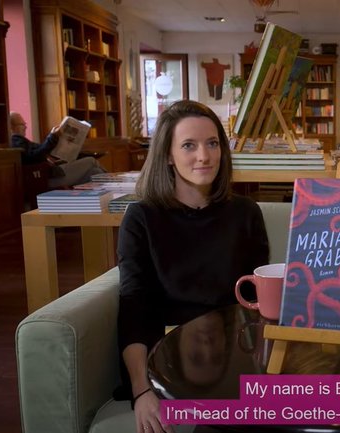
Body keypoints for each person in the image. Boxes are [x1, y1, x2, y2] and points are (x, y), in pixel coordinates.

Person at [115, 100, 270, 433]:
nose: (204, 156)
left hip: (236, 355)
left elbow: (257, 305)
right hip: (169, 359)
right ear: (168, 155)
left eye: (212, 143)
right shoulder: (141, 218)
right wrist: (141, 390)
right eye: (189, 145)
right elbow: (134, 308)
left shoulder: (246, 213)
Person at [9, 112, 105, 188]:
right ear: (11, 127)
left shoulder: (22, 141)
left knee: (95, 172)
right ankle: (113, 182)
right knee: (91, 161)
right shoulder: (15, 141)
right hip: (47, 177)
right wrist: (52, 137)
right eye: (22, 124)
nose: (25, 127)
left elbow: (40, 151)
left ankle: (106, 199)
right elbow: (34, 156)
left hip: (52, 172)